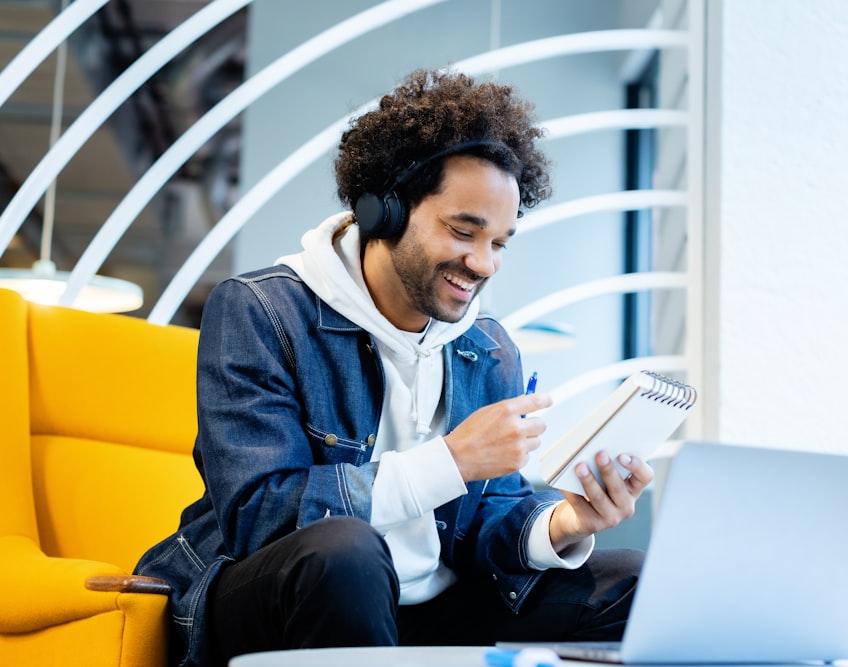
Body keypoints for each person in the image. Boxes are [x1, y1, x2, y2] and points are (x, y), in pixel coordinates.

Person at [135, 68, 653, 667]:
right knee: (344, 553)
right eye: (464, 231)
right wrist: (452, 460)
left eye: (501, 243)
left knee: (635, 583)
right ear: (383, 209)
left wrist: (564, 523)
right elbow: (262, 516)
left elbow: (483, 521)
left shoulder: (486, 346)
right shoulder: (261, 311)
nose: (483, 264)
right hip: (288, 592)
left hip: (430, 607)